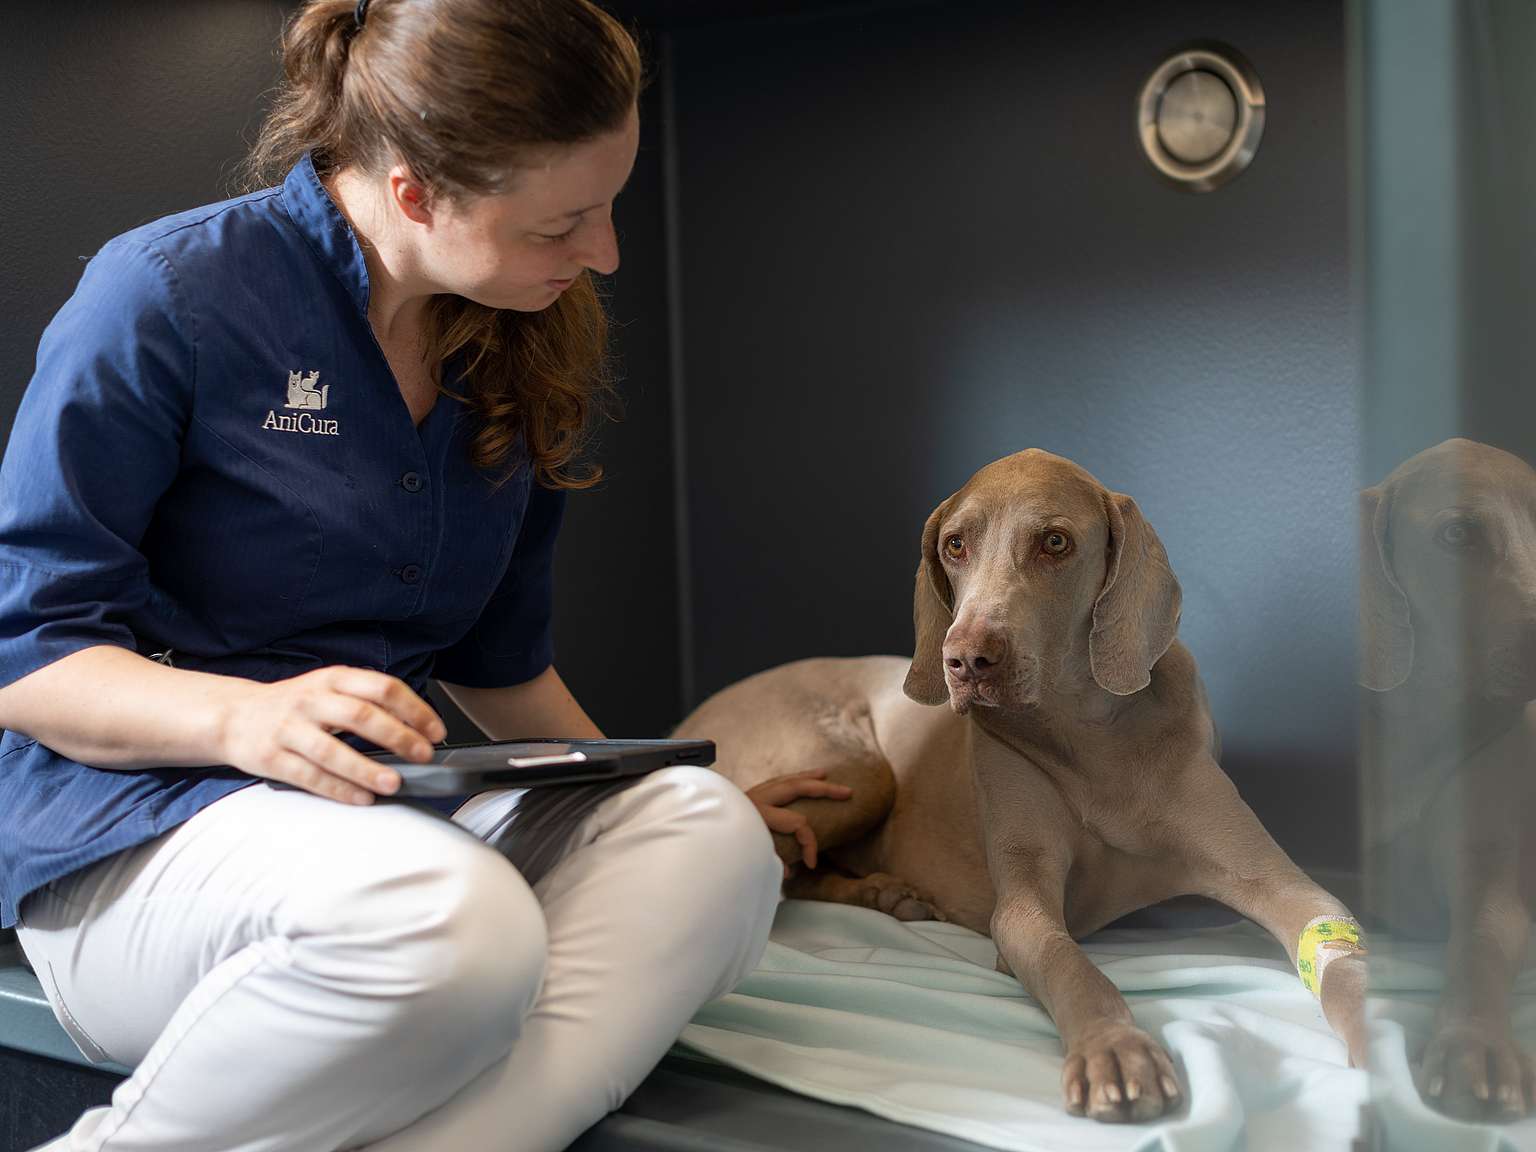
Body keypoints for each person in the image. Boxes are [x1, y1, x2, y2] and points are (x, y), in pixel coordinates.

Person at [0, 1, 850, 1148]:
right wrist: (247, 721)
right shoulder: (167, 295)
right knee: (458, 928)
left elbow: (501, 669)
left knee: (705, 834)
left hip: (380, 831)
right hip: (131, 838)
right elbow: (29, 657)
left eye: (608, 208)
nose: (601, 254)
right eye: (563, 223)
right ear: (414, 191)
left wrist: (636, 791)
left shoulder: (517, 331)